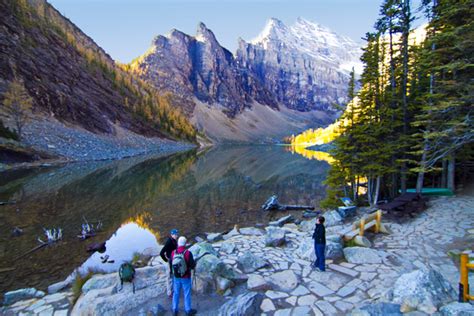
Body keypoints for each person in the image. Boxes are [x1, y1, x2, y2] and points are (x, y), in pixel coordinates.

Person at [171, 236, 196, 316]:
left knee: (176, 293)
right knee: (187, 293)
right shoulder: (188, 253)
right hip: (186, 276)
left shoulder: (173, 252)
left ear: (178, 243)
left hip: (176, 276)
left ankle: (175, 309)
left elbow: (171, 263)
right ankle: (188, 310)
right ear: (185, 244)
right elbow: (192, 266)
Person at [160, 229, 179, 297]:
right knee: (169, 277)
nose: (176, 236)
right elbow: (161, 253)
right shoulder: (169, 242)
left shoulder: (174, 241)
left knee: (173, 275)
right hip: (169, 261)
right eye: (175, 234)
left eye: (177, 234)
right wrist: (166, 260)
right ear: (172, 235)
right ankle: (169, 293)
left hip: (173, 260)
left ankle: (173, 290)